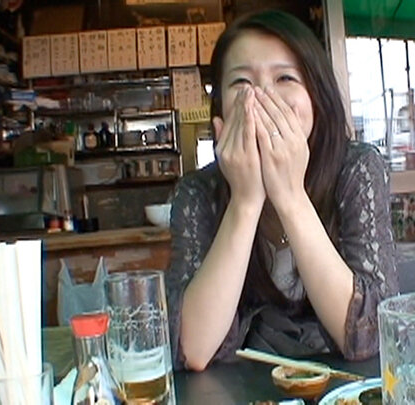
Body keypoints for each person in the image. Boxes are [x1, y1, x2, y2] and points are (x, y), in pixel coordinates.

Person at [167, 9, 398, 371]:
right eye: (241, 82)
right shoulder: (198, 192)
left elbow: (372, 335)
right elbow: (191, 349)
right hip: (241, 386)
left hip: (343, 385)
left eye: (285, 77)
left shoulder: (358, 169)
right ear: (220, 111)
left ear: (316, 98)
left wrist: (290, 195)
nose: (261, 97)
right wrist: (245, 201)